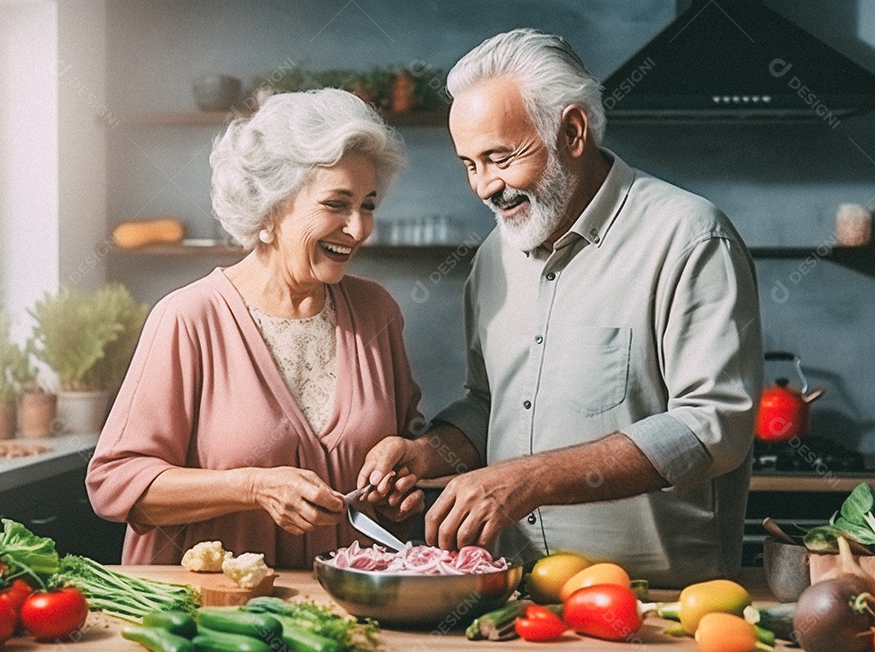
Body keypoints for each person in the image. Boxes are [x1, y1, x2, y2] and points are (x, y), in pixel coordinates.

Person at [360, 29, 763, 587]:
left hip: (661, 605)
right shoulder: (493, 258)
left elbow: (711, 426)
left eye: (500, 158)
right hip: (517, 594)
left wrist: (529, 479)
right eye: (470, 164)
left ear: (572, 132)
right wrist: (427, 452)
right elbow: (489, 404)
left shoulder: (690, 238)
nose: (483, 186)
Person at [88, 89, 425, 568]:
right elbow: (115, 483)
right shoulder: (189, 318)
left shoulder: (377, 312)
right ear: (271, 209)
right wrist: (254, 487)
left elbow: (406, 454)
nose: (358, 228)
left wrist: (397, 491)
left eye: (368, 205)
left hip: (346, 616)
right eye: (336, 204)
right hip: (213, 618)